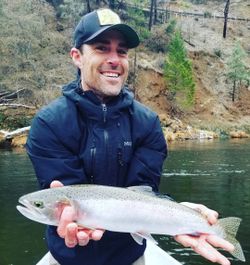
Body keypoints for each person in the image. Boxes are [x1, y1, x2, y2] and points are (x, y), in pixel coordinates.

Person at [26, 8, 234, 265]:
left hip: (129, 257)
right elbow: (68, 196)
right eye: (102, 48)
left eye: (121, 51)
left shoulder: (147, 124)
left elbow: (143, 192)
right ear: (77, 57)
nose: (115, 59)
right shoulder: (49, 123)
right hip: (68, 257)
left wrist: (176, 211)